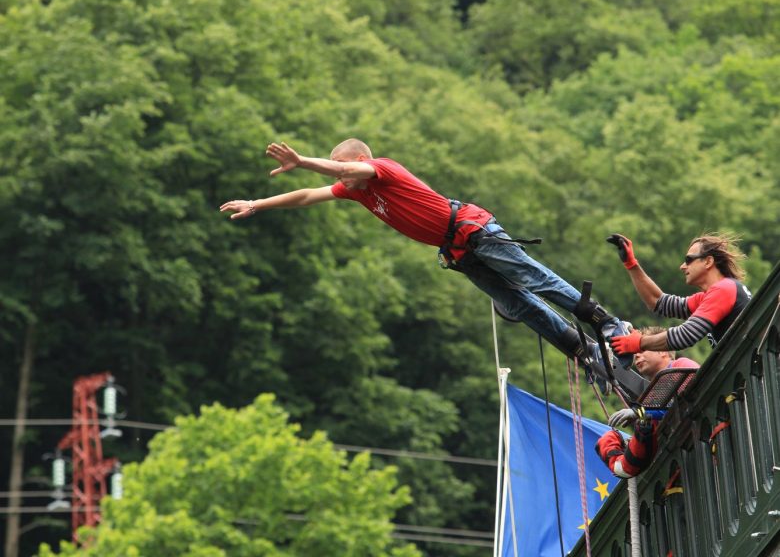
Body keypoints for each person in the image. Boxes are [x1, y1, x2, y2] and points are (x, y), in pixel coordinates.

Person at [220, 139, 633, 377]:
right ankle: (582, 350)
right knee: (516, 304)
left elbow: (328, 174)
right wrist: (258, 203)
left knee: (534, 280)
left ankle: (609, 325)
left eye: (341, 168)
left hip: (474, 231)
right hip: (459, 252)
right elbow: (308, 195)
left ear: (359, 162)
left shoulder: (380, 169)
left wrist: (304, 161)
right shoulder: (354, 191)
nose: (338, 177)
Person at [607, 233, 752, 358]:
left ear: (708, 261)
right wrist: (631, 264)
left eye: (689, 260)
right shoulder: (711, 295)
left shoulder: (724, 289)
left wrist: (639, 343)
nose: (682, 266)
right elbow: (659, 302)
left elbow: (685, 336)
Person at [596, 327, 699, 478]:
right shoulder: (648, 402)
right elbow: (633, 462)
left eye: (642, 349)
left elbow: (683, 402)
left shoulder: (681, 365)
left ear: (662, 350)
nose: (636, 356)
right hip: (686, 466)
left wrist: (639, 412)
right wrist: (610, 446)